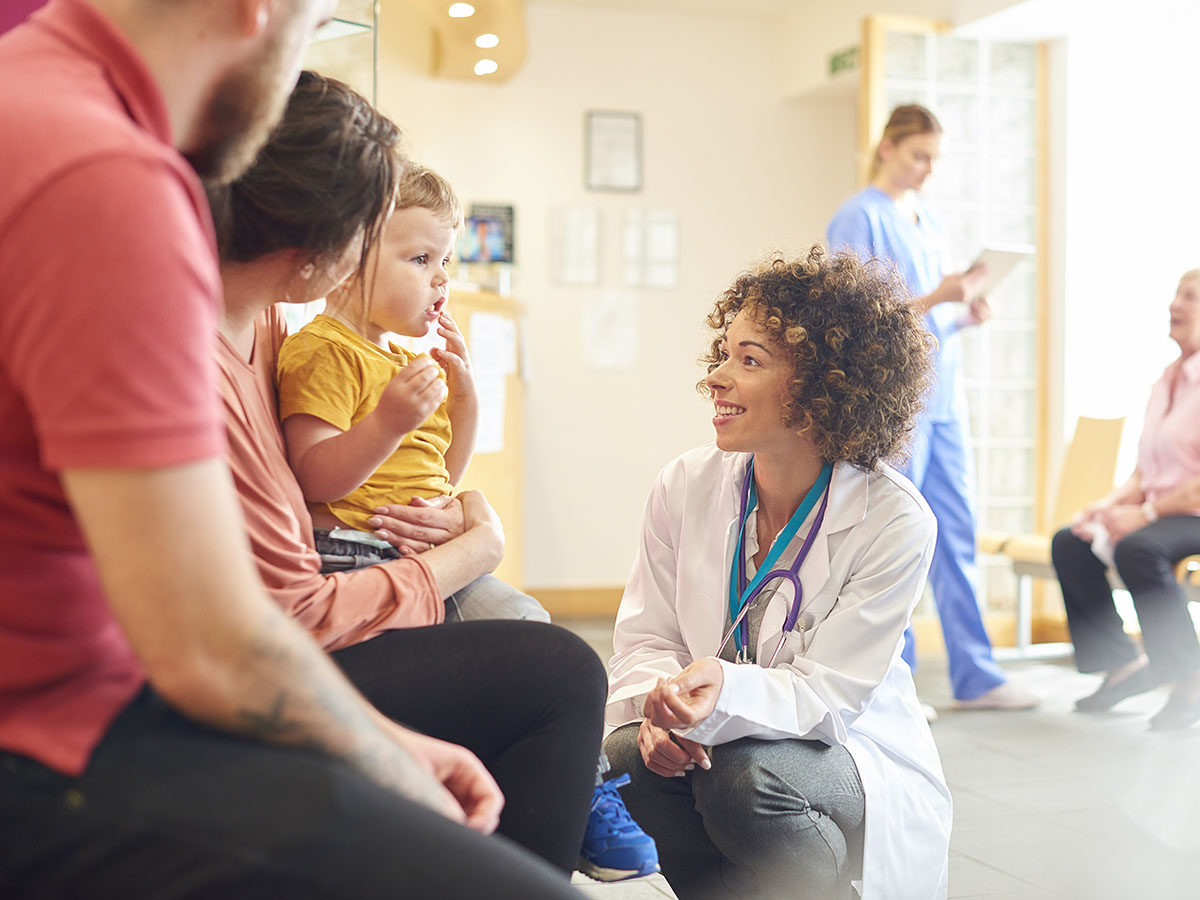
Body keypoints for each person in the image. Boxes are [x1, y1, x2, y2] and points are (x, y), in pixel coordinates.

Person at [0, 3, 595, 897]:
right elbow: (216, 642)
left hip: (119, 698)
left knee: (543, 665)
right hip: (68, 744)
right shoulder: (107, 176)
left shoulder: (46, 99)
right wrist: (392, 762)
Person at [211, 71, 656, 881]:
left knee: (537, 639)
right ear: (325, 243)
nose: (438, 279)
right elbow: (313, 516)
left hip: (373, 574)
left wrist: (466, 472)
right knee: (555, 659)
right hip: (329, 603)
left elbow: (442, 474)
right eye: (413, 255)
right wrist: (472, 543)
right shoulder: (305, 346)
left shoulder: (276, 319)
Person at [603, 248, 953, 900]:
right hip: (722, 737)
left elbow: (828, 696)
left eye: (750, 360)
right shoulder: (684, 485)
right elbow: (647, 637)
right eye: (723, 353)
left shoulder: (895, 520)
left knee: (746, 779)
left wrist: (719, 693)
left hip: (848, 747)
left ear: (825, 388)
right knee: (629, 760)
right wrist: (661, 709)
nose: (716, 377)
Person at [826, 103, 1039, 712]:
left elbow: (928, 320)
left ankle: (977, 674)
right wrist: (935, 296)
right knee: (896, 535)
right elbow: (853, 317)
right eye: (919, 156)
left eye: (934, 160)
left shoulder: (928, 219)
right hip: (899, 404)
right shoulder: (858, 217)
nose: (926, 170)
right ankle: (893, 683)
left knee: (956, 531)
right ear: (888, 148)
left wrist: (960, 312)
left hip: (944, 401)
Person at [273, 161, 546, 621]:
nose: (442, 278)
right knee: (522, 627)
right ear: (350, 261)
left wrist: (465, 396)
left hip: (420, 556)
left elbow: (442, 473)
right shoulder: (323, 350)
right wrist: (386, 424)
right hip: (355, 555)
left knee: (528, 621)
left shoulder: (402, 361)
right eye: (422, 260)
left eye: (446, 262)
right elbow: (315, 478)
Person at [1051, 270, 1200, 730]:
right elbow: (1145, 471)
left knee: (1140, 547)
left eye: (1190, 297)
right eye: (1177, 293)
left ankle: (1187, 682)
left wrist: (1145, 515)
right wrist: (1108, 505)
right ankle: (1123, 664)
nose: (1176, 304)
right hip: (1161, 510)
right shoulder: (1166, 381)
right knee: (1071, 541)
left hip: (1190, 512)